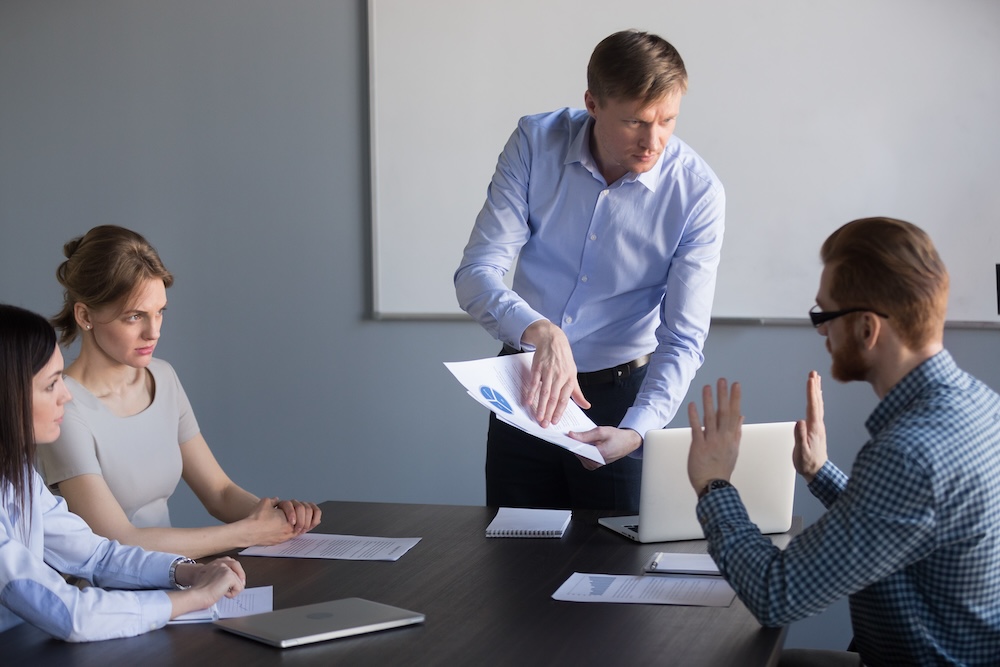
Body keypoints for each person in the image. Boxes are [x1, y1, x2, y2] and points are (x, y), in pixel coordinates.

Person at [687, 217, 1000, 666]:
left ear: (868, 329)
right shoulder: (980, 404)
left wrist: (714, 484)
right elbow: (906, 525)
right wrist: (820, 472)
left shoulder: (908, 453)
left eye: (824, 315)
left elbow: (777, 594)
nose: (821, 332)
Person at [454, 30, 725, 511]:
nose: (653, 141)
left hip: (623, 402)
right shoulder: (536, 142)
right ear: (592, 104)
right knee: (513, 562)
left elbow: (683, 337)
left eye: (668, 120)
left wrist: (637, 430)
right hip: (525, 384)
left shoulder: (697, 193)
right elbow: (477, 271)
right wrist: (540, 331)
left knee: (615, 567)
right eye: (636, 122)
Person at [36, 225, 321, 560]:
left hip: (176, 578)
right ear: (85, 315)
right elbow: (117, 540)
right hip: (105, 598)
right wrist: (248, 532)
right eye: (134, 317)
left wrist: (277, 516)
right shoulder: (62, 407)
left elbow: (220, 493)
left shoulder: (163, 377)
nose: (153, 332)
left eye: (160, 312)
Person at [0, 303, 246, 641]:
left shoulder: (17, 477)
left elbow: (95, 555)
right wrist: (192, 599)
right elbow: (70, 615)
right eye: (51, 384)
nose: (66, 395)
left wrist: (186, 572)